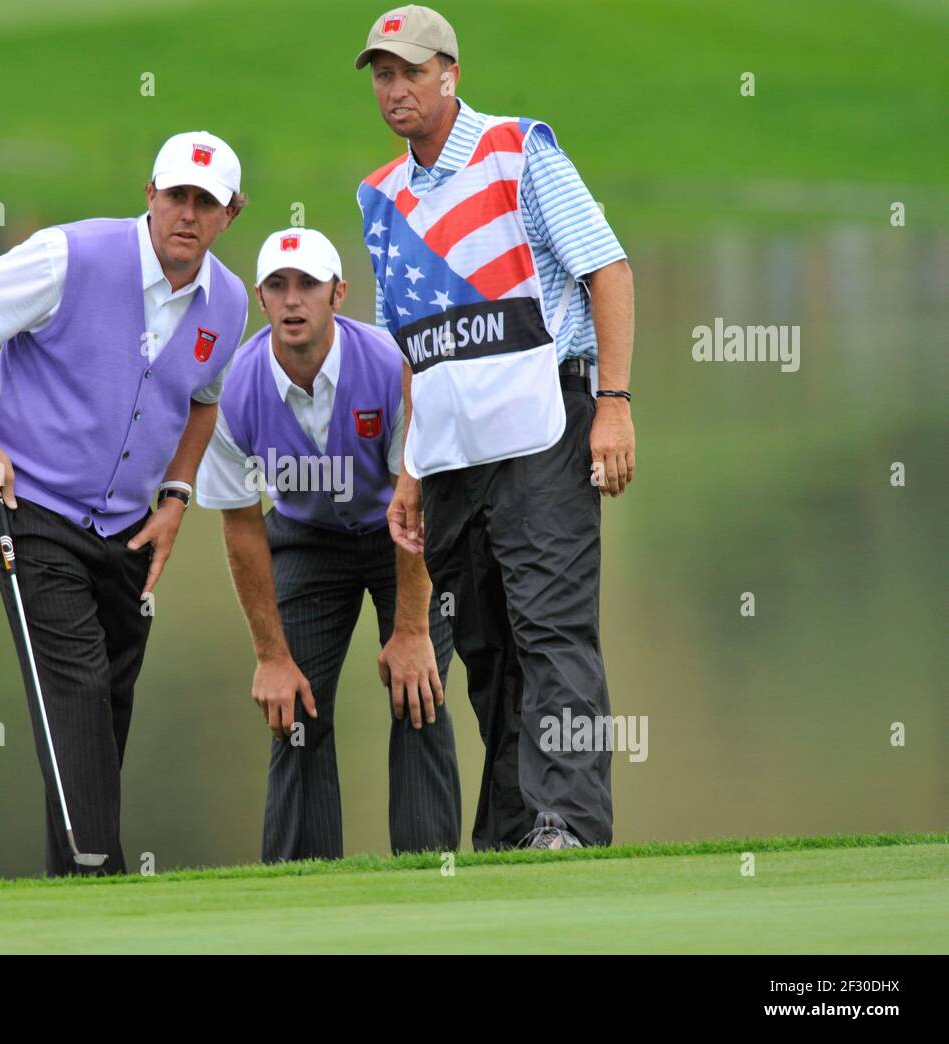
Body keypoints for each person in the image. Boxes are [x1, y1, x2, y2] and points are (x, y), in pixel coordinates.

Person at [0, 131, 250, 874]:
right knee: (73, 683)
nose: (188, 215)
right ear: (150, 195)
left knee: (108, 699)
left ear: (231, 213)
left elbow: (203, 401)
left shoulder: (228, 302)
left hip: (128, 526)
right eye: (177, 196)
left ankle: (69, 885)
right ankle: (101, 878)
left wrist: (176, 496)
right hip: (27, 502)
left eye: (206, 202)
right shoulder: (69, 256)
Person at [353, 6, 636, 850]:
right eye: (382, 74)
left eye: (410, 70)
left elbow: (608, 270)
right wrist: (407, 470)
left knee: (552, 627)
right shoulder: (380, 196)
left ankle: (571, 822)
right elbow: (413, 352)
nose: (395, 88)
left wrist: (615, 404)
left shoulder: (518, 150)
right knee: (485, 640)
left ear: (451, 72)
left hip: (548, 422)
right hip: (451, 453)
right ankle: (515, 829)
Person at [197, 227, 461, 861]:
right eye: (278, 286)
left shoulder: (392, 367)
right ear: (260, 299)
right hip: (308, 540)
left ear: (338, 293)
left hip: (402, 531)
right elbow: (241, 525)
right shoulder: (233, 390)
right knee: (294, 713)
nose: (294, 301)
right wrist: (270, 655)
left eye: (308, 285)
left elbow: (416, 500)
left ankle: (430, 882)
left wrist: (412, 629)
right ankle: (297, 892)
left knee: (418, 693)